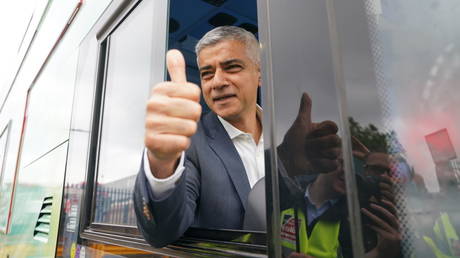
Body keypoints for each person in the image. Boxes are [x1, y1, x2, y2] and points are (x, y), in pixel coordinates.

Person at [133, 26, 341, 248]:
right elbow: (162, 233)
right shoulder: (189, 143)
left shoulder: (290, 139)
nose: (217, 82)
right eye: (207, 73)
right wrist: (161, 164)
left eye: (231, 67)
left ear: (259, 74)